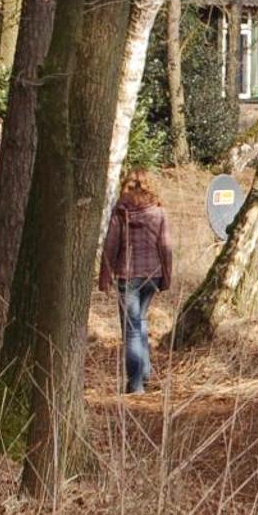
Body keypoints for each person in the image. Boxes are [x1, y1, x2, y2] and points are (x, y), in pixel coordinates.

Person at [98, 168, 176, 394]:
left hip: (128, 275)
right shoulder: (159, 212)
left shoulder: (121, 210)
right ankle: (145, 373)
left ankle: (136, 385)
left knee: (131, 329)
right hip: (153, 275)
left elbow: (110, 245)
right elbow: (165, 247)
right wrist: (166, 277)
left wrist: (105, 276)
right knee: (139, 322)